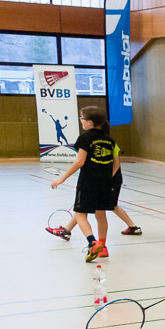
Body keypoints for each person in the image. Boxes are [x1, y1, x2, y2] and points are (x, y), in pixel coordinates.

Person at [49, 107, 115, 262]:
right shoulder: (109, 140)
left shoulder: (85, 138)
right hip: (105, 182)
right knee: (101, 214)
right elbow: (113, 163)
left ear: (90, 122)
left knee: (80, 214)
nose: (81, 121)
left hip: (88, 182)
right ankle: (102, 246)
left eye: (82, 118)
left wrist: (62, 178)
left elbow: (80, 161)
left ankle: (92, 243)